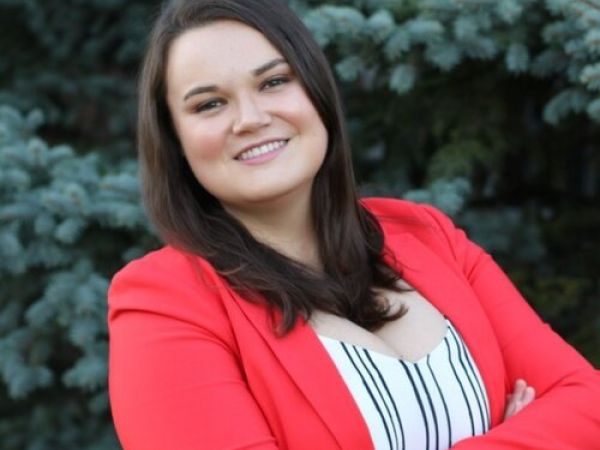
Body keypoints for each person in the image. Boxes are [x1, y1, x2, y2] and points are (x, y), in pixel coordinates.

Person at [106, 0, 600, 449]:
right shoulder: (165, 303)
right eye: (209, 104)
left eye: (274, 81)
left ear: (316, 93)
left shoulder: (427, 235)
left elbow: (586, 403)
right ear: (175, 141)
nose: (251, 118)